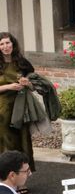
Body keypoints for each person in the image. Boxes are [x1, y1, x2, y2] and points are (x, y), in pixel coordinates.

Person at [0, 32, 36, 174]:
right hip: (2, 111)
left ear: (13, 44)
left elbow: (34, 83)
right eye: (1, 44)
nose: (5, 46)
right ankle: (5, 177)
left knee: (22, 143)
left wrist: (27, 83)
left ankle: (22, 179)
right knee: (6, 144)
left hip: (20, 109)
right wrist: (9, 86)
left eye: (7, 43)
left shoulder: (22, 62)